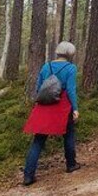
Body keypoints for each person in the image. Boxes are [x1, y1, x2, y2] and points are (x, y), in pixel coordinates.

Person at [22, 41, 81, 185]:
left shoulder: (46, 66)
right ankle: (71, 164)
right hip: (62, 106)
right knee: (68, 135)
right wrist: (75, 108)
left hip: (44, 106)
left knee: (38, 140)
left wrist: (39, 103)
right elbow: (71, 90)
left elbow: (38, 88)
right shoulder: (71, 68)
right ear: (70, 53)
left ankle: (28, 175)